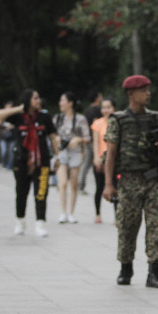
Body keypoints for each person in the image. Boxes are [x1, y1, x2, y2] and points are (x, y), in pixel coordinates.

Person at [103, 75, 158, 289]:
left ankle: (155, 271)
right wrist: (108, 184)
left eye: (148, 90)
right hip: (129, 180)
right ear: (131, 94)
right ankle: (125, 267)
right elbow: (111, 154)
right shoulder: (118, 119)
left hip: (153, 179)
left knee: (156, 225)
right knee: (127, 226)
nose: (148, 93)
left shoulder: (155, 118)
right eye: (143, 90)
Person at [0, 90, 59, 238]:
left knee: (41, 192)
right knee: (21, 192)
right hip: (21, 160)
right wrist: (19, 108)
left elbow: (52, 137)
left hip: (42, 161)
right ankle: (20, 221)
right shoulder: (18, 117)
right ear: (27, 100)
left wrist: (57, 156)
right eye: (35, 98)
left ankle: (40, 223)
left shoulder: (44, 117)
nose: (38, 101)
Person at [54, 92, 90, 224]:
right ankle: (63, 212)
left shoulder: (80, 119)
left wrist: (78, 139)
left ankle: (71, 213)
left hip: (76, 152)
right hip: (61, 152)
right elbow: (51, 133)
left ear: (70, 103)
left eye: (62, 100)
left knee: (74, 184)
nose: (60, 103)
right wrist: (56, 138)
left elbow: (87, 137)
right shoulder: (57, 118)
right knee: (62, 183)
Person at [90, 97, 116, 224]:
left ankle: (117, 215)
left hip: (114, 160)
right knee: (100, 187)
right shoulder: (97, 123)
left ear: (114, 108)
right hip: (101, 158)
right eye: (104, 107)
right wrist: (96, 157)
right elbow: (95, 142)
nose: (106, 110)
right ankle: (97, 213)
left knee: (115, 186)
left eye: (108, 107)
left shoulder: (117, 122)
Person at [79, 90, 103, 194]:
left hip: (88, 140)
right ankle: (101, 184)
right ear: (97, 98)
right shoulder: (97, 110)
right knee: (98, 162)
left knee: (87, 163)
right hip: (96, 140)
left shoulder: (87, 110)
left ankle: (82, 184)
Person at [0, 100, 16, 170]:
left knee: (11, 153)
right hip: (3, 137)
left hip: (12, 137)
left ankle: (9, 166)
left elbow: (18, 125)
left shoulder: (15, 116)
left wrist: (11, 126)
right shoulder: (1, 115)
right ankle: (4, 164)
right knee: (4, 151)